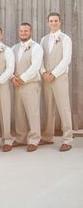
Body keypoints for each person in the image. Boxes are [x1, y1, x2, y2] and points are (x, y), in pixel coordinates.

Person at [40, 12, 73, 151]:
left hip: (59, 77)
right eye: (51, 21)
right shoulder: (43, 39)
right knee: (48, 107)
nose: (53, 23)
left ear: (60, 22)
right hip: (46, 77)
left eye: (56, 21)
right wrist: (43, 72)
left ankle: (67, 139)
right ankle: (48, 137)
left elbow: (66, 60)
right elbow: (40, 59)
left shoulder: (65, 39)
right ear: (48, 23)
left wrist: (53, 74)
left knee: (63, 107)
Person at [11, 23, 43, 152]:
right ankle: (20, 138)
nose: (23, 33)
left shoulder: (36, 47)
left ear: (31, 32)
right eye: (21, 31)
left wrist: (22, 78)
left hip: (30, 84)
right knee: (19, 113)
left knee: (32, 112)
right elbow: (10, 66)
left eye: (26, 31)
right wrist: (13, 77)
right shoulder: (14, 48)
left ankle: (34, 139)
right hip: (16, 84)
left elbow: (35, 66)